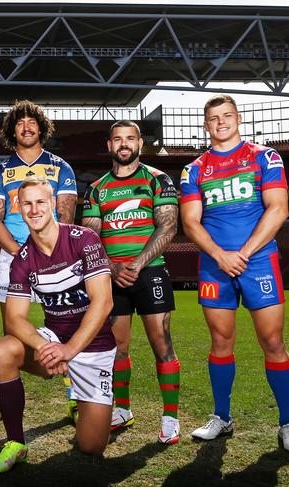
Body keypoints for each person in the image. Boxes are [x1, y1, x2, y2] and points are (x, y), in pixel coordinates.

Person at [180, 94, 289, 453]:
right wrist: (221, 256)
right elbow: (190, 222)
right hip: (213, 265)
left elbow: (279, 209)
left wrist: (244, 254)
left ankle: (288, 423)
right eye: (213, 118)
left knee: (273, 342)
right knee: (220, 342)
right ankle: (222, 417)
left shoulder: (264, 157)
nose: (221, 122)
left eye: (227, 115)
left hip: (259, 261)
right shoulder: (194, 169)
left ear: (238, 119)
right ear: (206, 125)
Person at [0, 177, 115, 473]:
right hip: (55, 340)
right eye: (26, 203)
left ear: (53, 204)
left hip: (93, 347)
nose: (34, 209)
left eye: (41, 202)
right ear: (18, 209)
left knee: (91, 446)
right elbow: (15, 319)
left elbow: (103, 302)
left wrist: (69, 350)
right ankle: (16, 443)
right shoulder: (22, 260)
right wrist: (48, 347)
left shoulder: (84, 239)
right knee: (4, 350)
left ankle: (89, 400)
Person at [82, 120, 181, 444]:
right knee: (117, 348)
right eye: (117, 139)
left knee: (162, 344)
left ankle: (170, 418)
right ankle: (122, 409)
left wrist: (137, 264)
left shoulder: (158, 180)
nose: (124, 144)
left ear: (140, 143)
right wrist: (112, 267)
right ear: (110, 146)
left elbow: (168, 227)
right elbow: (91, 236)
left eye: (130, 138)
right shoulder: (97, 188)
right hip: (112, 275)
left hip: (150, 271)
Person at [0, 100, 78, 422]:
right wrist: (20, 251)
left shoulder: (60, 167)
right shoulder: (0, 172)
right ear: (13, 130)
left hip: (56, 256)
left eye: (32, 122)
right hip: (13, 257)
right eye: (20, 122)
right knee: (12, 330)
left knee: (67, 324)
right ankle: (6, 392)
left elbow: (66, 214)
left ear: (41, 128)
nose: (26, 127)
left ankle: (75, 392)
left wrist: (49, 250)